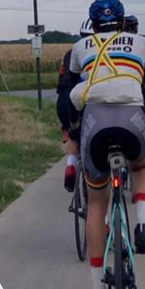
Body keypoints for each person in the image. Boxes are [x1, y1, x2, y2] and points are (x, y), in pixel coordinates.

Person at [69, 0, 145, 289]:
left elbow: (70, 96)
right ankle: (141, 223)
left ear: (92, 25)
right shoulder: (142, 43)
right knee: (142, 167)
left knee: (96, 204)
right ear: (123, 23)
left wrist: (72, 134)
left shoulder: (81, 48)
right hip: (132, 121)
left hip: (95, 124)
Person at [58, 19, 95, 191]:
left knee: (73, 133)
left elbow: (61, 80)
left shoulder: (69, 53)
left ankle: (71, 166)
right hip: (83, 99)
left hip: (63, 100)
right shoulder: (98, 52)